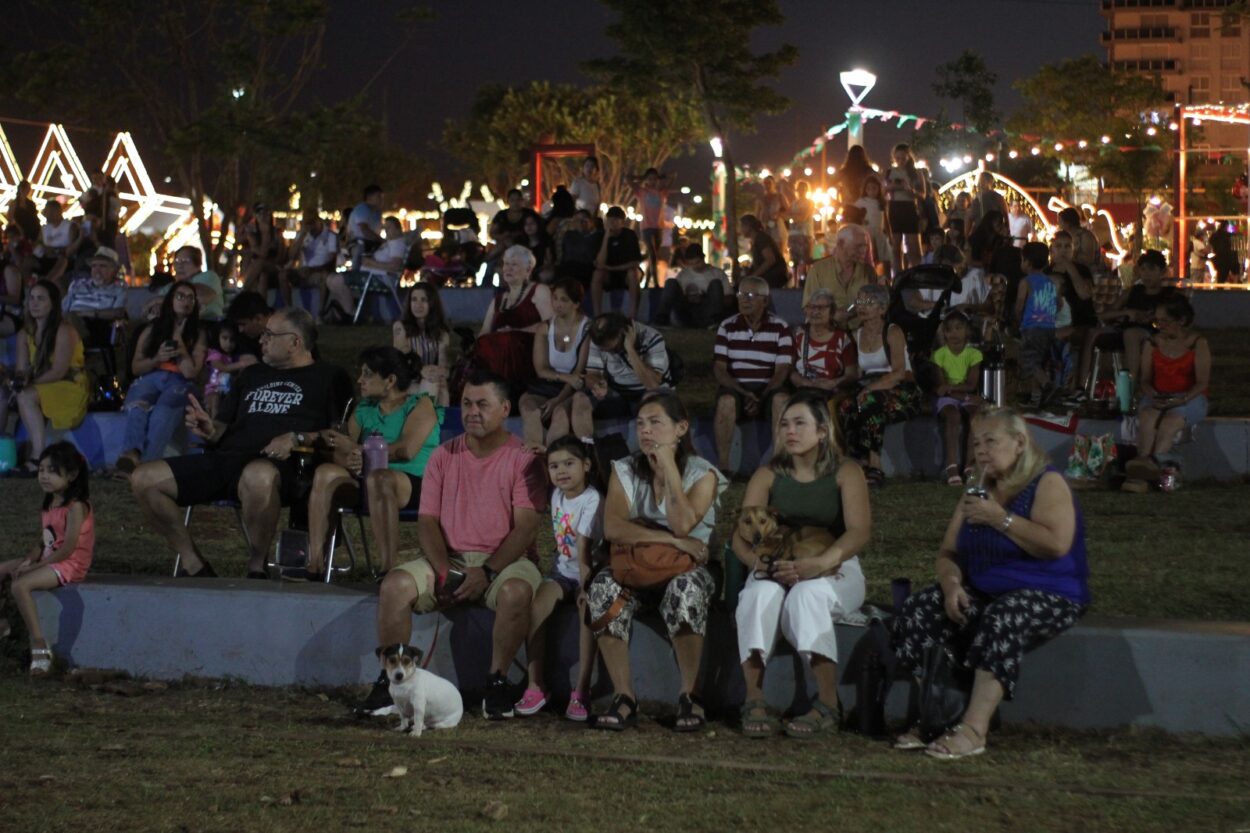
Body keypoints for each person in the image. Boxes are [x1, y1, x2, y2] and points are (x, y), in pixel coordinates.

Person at [893, 407, 1090, 759]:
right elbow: (948, 551)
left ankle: (974, 729)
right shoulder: (978, 487)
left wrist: (1002, 520)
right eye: (976, 442)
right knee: (917, 611)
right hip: (984, 588)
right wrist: (952, 584)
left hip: (1050, 591)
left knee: (1002, 617)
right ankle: (937, 714)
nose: (981, 450)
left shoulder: (1046, 482)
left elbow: (1056, 544)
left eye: (990, 441)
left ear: (1019, 443)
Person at [360, 371, 547, 720]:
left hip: (505, 561)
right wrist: (445, 570)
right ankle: (390, 685)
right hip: (450, 558)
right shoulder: (444, 456)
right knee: (395, 585)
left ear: (505, 409)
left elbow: (525, 529)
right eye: (466, 404)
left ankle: (498, 682)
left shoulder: (522, 459)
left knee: (517, 591)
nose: (472, 411)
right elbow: (427, 521)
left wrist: (487, 571)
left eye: (482, 404)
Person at [129, 307, 353, 578]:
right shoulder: (252, 374)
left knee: (257, 474)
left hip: (286, 465)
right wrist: (210, 429)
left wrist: (298, 438)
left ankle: (257, 566)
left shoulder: (329, 377)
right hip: (227, 459)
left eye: (270, 335)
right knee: (143, 479)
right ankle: (194, 563)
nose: (261, 340)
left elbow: (339, 435)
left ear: (295, 342)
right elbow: (224, 427)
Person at [586, 392, 728, 731]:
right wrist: (673, 541)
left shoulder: (703, 474)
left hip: (690, 568)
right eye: (640, 423)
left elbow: (682, 521)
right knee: (602, 587)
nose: (645, 431)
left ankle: (689, 695)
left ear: (681, 428)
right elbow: (614, 527)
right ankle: (624, 696)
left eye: (655, 423)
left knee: (685, 591)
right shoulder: (625, 469)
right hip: (638, 566)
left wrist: (669, 470)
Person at [734, 391, 871, 737]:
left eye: (800, 424)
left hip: (835, 563)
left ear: (822, 431)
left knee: (806, 597)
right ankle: (754, 699)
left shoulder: (846, 471)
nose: (790, 431)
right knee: (756, 597)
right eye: (784, 424)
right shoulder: (768, 474)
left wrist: (821, 563)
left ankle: (828, 703)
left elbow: (858, 532)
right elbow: (739, 533)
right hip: (776, 563)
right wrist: (758, 565)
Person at [306, 347, 441, 578]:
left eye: (367, 374)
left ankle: (387, 568)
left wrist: (359, 450)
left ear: (390, 380)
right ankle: (315, 563)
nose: (360, 380)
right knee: (326, 472)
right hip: (367, 481)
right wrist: (348, 457)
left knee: (380, 478)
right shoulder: (364, 409)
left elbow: (406, 450)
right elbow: (344, 450)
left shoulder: (419, 405)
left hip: (412, 483)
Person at [515, 436, 603, 721]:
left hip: (591, 571)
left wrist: (586, 586)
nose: (561, 471)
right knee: (537, 605)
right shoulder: (557, 494)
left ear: (586, 465)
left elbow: (583, 546)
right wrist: (544, 455)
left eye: (569, 464)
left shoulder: (593, 499)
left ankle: (581, 690)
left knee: (587, 608)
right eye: (554, 466)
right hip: (563, 571)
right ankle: (535, 684)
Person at [0, 442, 93, 676]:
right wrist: (30, 559)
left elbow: (68, 548)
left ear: (71, 475)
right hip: (51, 558)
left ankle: (39, 647)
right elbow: (46, 540)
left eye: (52, 471)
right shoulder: (51, 502)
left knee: (20, 585)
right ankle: (2, 624)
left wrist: (35, 567)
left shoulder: (76, 507)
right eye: (41, 470)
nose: (44, 476)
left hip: (69, 564)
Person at [114, 284, 207, 472]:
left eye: (190, 297)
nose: (185, 301)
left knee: (162, 413)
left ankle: (146, 466)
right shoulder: (153, 329)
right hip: (153, 375)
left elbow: (191, 372)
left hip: (180, 380)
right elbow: (136, 367)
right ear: (170, 300)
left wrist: (179, 343)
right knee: (138, 406)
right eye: (180, 296)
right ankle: (131, 454)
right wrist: (158, 358)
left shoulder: (198, 333)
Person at [1123, 296, 1210, 492]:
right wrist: (1153, 395)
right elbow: (1145, 379)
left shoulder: (1197, 343)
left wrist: (1182, 399)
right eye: (1157, 321)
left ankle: (1147, 465)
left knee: (1170, 422)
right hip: (1159, 394)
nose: (1160, 326)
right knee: (1147, 417)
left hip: (1190, 396)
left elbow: (1202, 382)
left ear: (1180, 320)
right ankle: (1146, 470)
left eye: (1164, 321)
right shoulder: (1153, 343)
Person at [838, 283, 921, 487]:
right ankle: (858, 460)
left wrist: (868, 389)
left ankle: (875, 465)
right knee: (846, 405)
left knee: (869, 401)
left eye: (869, 302)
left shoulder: (892, 332)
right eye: (859, 301)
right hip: (872, 387)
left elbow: (899, 373)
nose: (862, 306)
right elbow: (859, 373)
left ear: (882, 308)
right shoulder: (857, 334)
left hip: (901, 391)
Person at [0, 281, 89, 470]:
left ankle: (38, 456)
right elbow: (22, 369)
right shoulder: (25, 334)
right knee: (9, 393)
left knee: (26, 394)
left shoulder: (65, 331)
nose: (34, 303)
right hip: (40, 383)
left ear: (53, 303)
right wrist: (16, 381)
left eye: (41, 298)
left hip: (68, 384)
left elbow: (59, 371)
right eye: (31, 298)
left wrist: (27, 385)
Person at [712, 276, 794, 472]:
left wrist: (761, 395)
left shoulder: (780, 328)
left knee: (781, 399)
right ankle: (724, 467)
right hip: (737, 387)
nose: (743, 300)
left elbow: (782, 371)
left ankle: (779, 464)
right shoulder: (727, 326)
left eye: (750, 295)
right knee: (725, 402)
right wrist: (743, 392)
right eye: (740, 294)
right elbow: (719, 369)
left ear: (765, 301)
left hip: (768, 388)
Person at [1081, 249, 1178, 390]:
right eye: (1143, 270)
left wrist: (1150, 317)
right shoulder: (1133, 291)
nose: (1146, 274)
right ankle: (1080, 385)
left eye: (1151, 269)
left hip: (1153, 332)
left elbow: (1174, 318)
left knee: (1132, 334)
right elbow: (1106, 314)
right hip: (1124, 329)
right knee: (1092, 332)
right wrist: (1126, 312)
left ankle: (1129, 388)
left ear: (1162, 272)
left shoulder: (1168, 295)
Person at [518, 279, 591, 450]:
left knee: (560, 414)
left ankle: (553, 457)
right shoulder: (545, 328)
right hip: (551, 383)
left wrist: (558, 400)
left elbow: (579, 375)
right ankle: (533, 456)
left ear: (576, 303)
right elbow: (541, 370)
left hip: (575, 388)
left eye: (563, 300)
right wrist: (563, 377)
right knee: (528, 407)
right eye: (555, 298)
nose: (557, 304)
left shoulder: (586, 328)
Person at [476, 245, 554, 396]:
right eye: (506, 264)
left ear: (528, 269)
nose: (508, 268)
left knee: (508, 339)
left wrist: (517, 331)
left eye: (514, 264)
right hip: (500, 355)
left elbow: (551, 325)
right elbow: (484, 331)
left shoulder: (539, 291)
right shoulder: (499, 299)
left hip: (528, 353)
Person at [571, 313, 672, 427]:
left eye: (613, 349)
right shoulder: (598, 341)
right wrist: (597, 383)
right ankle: (586, 443)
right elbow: (592, 374)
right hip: (617, 394)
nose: (609, 353)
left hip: (647, 393)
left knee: (651, 405)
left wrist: (630, 350)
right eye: (604, 350)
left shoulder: (651, 337)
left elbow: (652, 385)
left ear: (624, 332)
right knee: (579, 399)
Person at [932, 312, 985, 486]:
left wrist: (952, 388)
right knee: (952, 416)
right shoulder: (939, 355)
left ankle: (970, 465)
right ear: (943, 333)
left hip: (964, 396)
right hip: (952, 399)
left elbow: (971, 384)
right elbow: (941, 388)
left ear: (967, 331)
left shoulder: (974, 354)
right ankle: (951, 466)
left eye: (958, 328)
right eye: (948, 330)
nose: (953, 334)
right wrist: (961, 393)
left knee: (975, 415)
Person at [325, 216, 407, 323]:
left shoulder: (397, 244)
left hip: (379, 278)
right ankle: (351, 312)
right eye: (385, 228)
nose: (386, 230)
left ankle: (352, 314)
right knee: (330, 279)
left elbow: (396, 267)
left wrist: (371, 263)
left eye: (389, 228)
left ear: (398, 229)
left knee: (335, 281)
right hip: (371, 275)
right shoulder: (389, 243)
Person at [790, 288, 859, 400]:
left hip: (831, 394)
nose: (816, 312)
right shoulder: (798, 334)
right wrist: (805, 383)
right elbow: (789, 369)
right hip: (802, 392)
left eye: (821, 308)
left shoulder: (842, 338)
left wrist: (833, 383)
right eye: (812, 307)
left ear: (832, 312)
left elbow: (852, 374)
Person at [392, 283, 451, 408]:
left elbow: (443, 363)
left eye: (424, 300)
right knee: (434, 386)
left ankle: (425, 421)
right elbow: (404, 355)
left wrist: (440, 372)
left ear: (432, 303)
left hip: (430, 380)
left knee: (438, 383)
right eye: (414, 300)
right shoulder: (400, 328)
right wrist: (422, 369)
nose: (418, 305)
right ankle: (430, 422)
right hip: (407, 381)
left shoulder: (441, 333)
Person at [803, 225, 876, 327]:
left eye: (865, 246)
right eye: (858, 246)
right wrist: (832, 315)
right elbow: (808, 308)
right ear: (841, 244)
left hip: (860, 333)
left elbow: (872, 302)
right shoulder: (818, 271)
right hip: (828, 333)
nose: (863, 251)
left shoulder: (868, 271)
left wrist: (862, 305)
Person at [1014, 242, 1059, 408]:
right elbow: (1058, 303)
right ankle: (1036, 398)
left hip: (1032, 328)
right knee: (1039, 363)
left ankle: (1048, 385)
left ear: (1027, 262)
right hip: (1049, 328)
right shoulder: (1050, 282)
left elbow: (1019, 305)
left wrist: (1018, 320)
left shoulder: (1026, 282)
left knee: (1028, 361)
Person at [655, 242, 731, 329]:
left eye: (698, 262)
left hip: (707, 311)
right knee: (670, 282)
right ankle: (661, 319)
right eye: (692, 263)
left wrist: (708, 298)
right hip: (686, 313)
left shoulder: (717, 273)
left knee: (715, 283)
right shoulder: (683, 275)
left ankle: (716, 321)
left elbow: (729, 299)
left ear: (703, 258)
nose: (695, 266)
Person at [281, 211, 338, 314]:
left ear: (318, 221)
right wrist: (302, 236)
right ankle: (289, 310)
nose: (309, 227)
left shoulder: (330, 236)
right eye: (306, 223)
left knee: (323, 277)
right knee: (283, 275)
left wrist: (313, 270)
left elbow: (332, 260)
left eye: (311, 223)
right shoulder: (303, 234)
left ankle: (320, 313)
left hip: (318, 272)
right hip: (303, 272)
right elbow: (292, 256)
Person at [149, 246, 224, 321]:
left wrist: (162, 300)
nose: (180, 265)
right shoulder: (169, 287)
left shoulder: (208, 276)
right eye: (177, 261)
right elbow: (149, 308)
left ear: (198, 265)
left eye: (185, 261)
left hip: (207, 324)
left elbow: (201, 297)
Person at [591, 206, 642, 317]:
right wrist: (606, 238)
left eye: (615, 220)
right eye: (609, 220)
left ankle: (632, 316)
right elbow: (599, 263)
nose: (611, 223)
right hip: (607, 274)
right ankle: (597, 315)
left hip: (625, 273)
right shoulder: (600, 235)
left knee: (633, 274)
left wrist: (611, 268)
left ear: (622, 222)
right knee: (597, 274)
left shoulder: (629, 235)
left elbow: (635, 262)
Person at [885, 143, 924, 272]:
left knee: (912, 244)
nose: (900, 161)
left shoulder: (916, 173)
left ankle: (917, 272)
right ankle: (898, 274)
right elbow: (883, 190)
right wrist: (892, 187)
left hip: (910, 206)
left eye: (903, 158)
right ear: (894, 158)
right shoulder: (890, 171)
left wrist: (910, 190)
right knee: (896, 245)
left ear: (908, 157)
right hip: (895, 207)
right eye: (898, 158)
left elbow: (922, 195)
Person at [631, 168, 672, 285]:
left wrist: (663, 176)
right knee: (653, 254)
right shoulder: (642, 192)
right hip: (646, 227)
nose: (652, 181)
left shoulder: (661, 192)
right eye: (649, 178)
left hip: (658, 227)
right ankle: (656, 282)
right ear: (646, 180)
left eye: (655, 178)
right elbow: (627, 179)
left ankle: (648, 278)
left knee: (653, 256)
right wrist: (641, 177)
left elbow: (673, 177)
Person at [240, 203, 285, 294]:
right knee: (263, 275)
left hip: (274, 268)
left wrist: (266, 233)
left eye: (266, 214)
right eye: (260, 214)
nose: (263, 217)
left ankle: (243, 292)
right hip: (257, 269)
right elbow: (260, 252)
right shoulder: (252, 233)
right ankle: (260, 305)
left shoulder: (277, 233)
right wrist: (264, 233)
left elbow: (280, 256)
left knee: (260, 263)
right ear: (256, 216)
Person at [203, 320, 242, 420]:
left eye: (232, 340)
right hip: (213, 388)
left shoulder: (236, 356)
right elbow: (221, 367)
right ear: (217, 338)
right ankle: (214, 423)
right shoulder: (215, 353)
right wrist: (242, 364)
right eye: (224, 338)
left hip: (229, 389)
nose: (228, 343)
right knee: (215, 400)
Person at [739, 214, 788, 289]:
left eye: (742, 226)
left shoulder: (761, 238)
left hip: (773, 277)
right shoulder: (756, 240)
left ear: (749, 226)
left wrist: (754, 276)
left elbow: (770, 260)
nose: (740, 229)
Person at [855, 176, 891, 276]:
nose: (871, 191)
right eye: (868, 188)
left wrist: (889, 235)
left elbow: (886, 220)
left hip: (879, 233)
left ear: (878, 189)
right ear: (865, 189)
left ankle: (885, 279)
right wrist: (862, 221)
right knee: (870, 256)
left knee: (883, 258)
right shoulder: (861, 202)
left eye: (874, 188)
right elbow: (855, 217)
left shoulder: (881, 203)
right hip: (866, 233)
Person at [347, 184, 385, 268]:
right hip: (356, 242)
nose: (382, 200)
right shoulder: (362, 209)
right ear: (369, 197)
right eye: (379, 197)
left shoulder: (378, 213)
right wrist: (382, 241)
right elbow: (365, 230)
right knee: (359, 249)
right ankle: (355, 274)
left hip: (372, 243)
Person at [786, 180, 817, 277]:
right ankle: (796, 281)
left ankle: (806, 279)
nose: (801, 191)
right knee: (794, 259)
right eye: (799, 189)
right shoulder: (794, 203)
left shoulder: (810, 202)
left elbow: (804, 217)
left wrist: (793, 217)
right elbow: (787, 215)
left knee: (805, 258)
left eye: (803, 189)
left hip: (805, 233)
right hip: (794, 234)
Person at [966, 171, 1008, 240]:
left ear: (989, 182)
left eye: (982, 180)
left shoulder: (997, 197)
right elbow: (970, 216)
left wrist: (1006, 229)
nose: (979, 183)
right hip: (979, 232)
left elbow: (1005, 213)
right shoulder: (976, 198)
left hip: (993, 232)